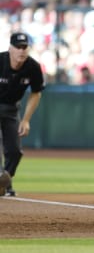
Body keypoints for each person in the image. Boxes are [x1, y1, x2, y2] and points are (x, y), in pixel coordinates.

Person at [0, 32, 45, 196]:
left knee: (15, 151)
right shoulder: (1, 61)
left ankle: (5, 182)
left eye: (24, 47)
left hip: (11, 109)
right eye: (18, 47)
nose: (21, 50)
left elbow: (36, 92)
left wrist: (26, 120)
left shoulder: (32, 67)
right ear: (10, 48)